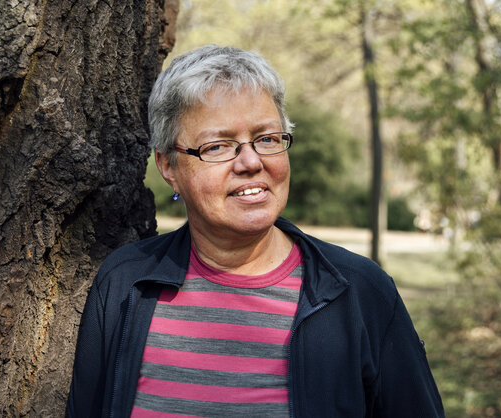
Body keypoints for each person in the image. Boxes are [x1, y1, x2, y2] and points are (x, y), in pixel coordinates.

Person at [66, 45, 444, 417]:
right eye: (218, 146)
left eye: (266, 139)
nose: (251, 161)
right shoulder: (123, 284)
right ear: (168, 167)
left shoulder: (361, 294)